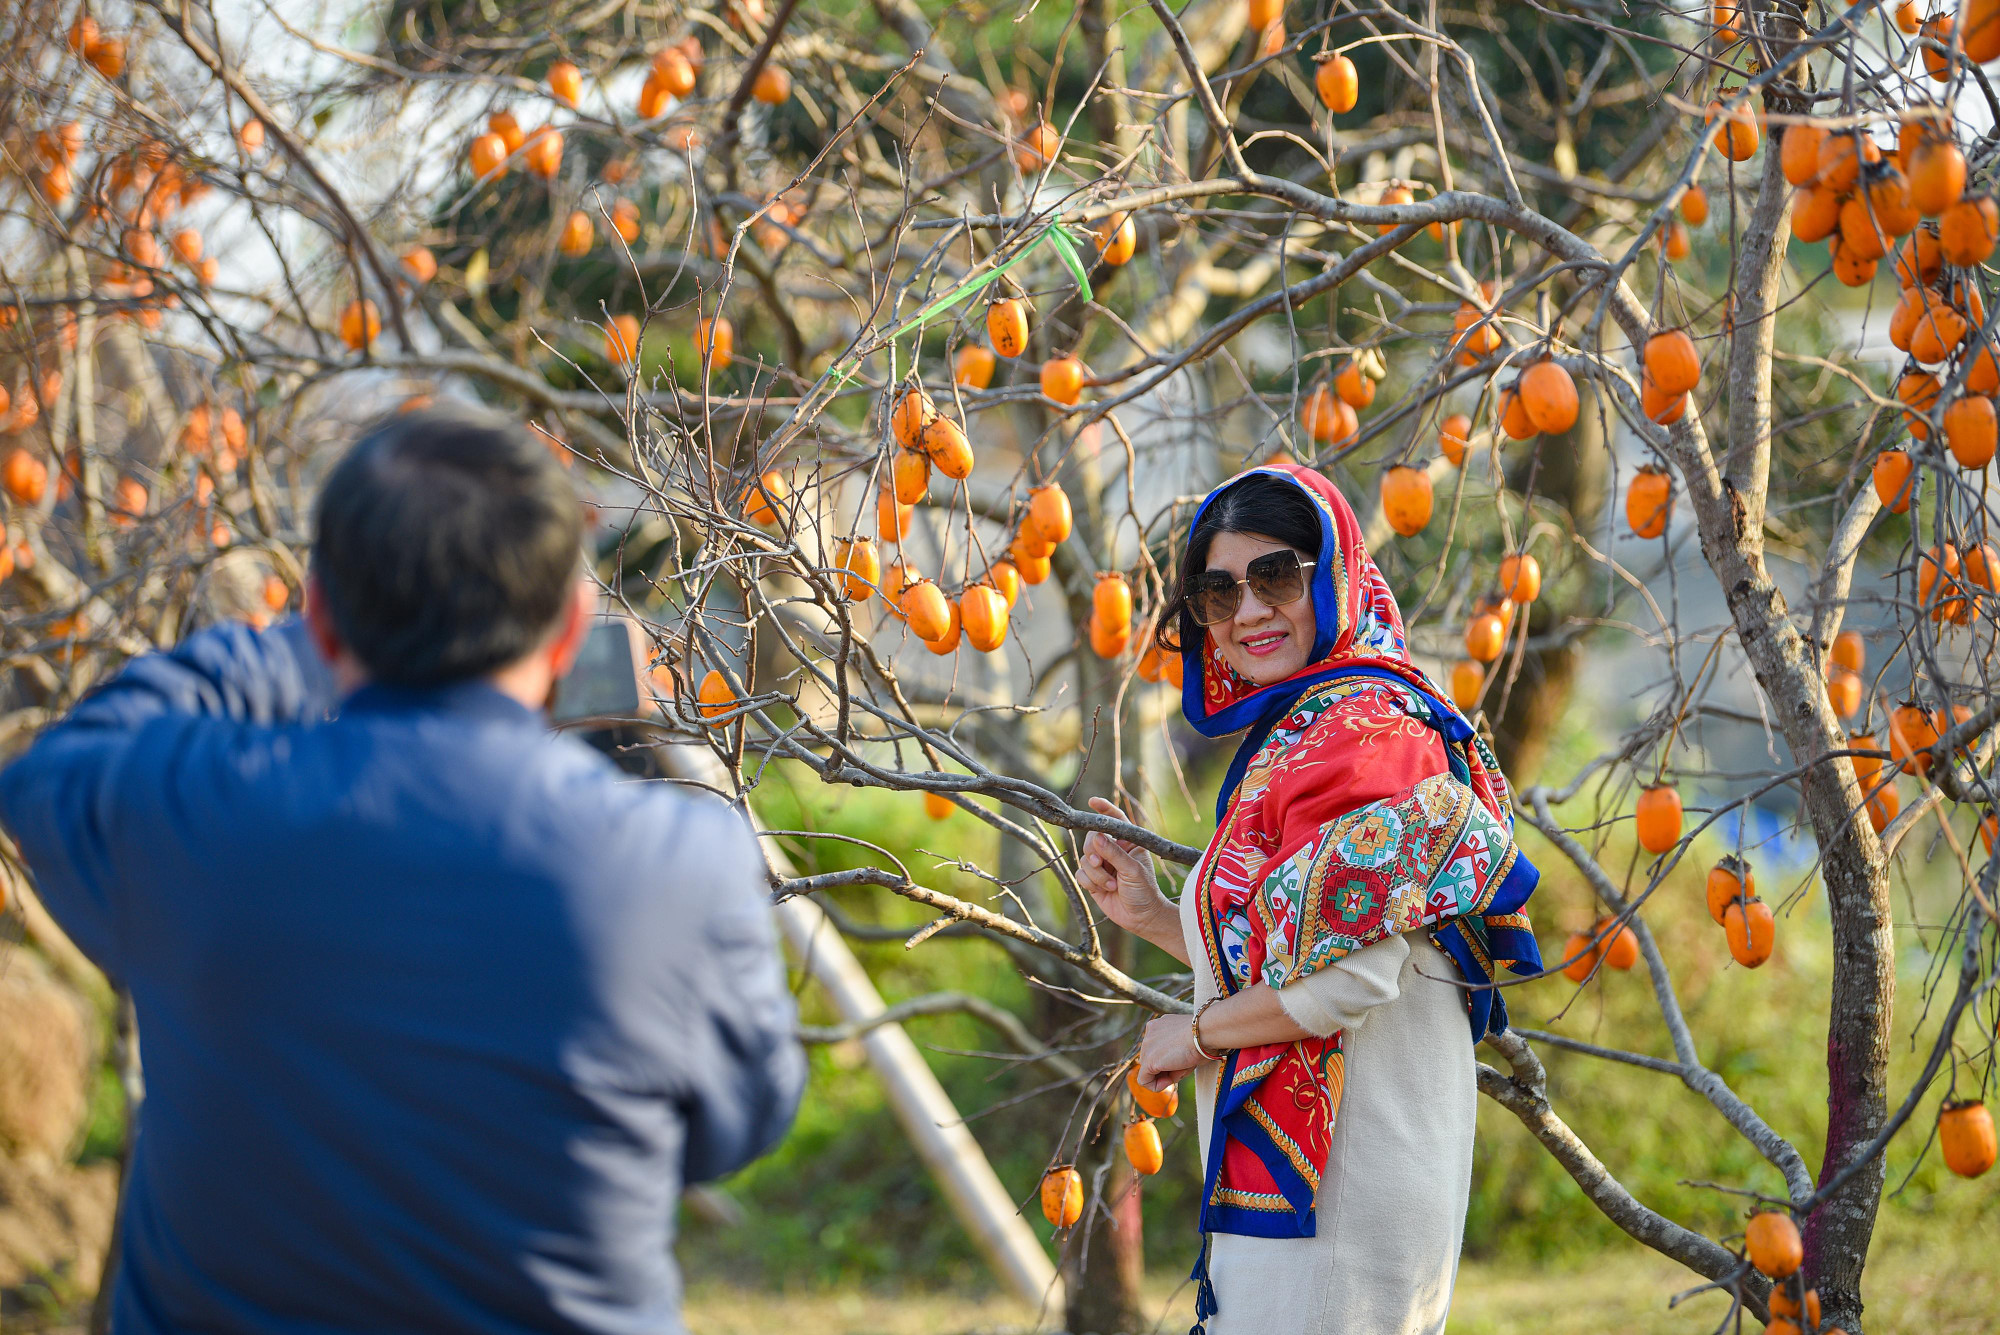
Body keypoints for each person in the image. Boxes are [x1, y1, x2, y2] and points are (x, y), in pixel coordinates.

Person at [0, 409, 805, 1334]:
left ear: (320, 612)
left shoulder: (195, 825)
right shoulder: (680, 867)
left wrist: (288, 653)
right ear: (572, 623)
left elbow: (50, 777)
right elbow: (738, 1124)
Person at [1077, 463, 1542, 1335]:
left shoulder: (1366, 740)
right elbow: (1309, 952)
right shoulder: (1313, 731)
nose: (1248, 610)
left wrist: (1196, 1031)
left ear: (1332, 572)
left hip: (1347, 1192)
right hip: (1325, 1183)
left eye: (1276, 576)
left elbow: (1354, 982)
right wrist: (1150, 912)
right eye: (1218, 592)